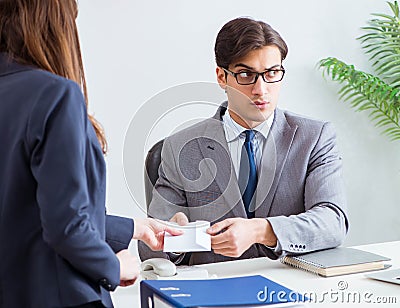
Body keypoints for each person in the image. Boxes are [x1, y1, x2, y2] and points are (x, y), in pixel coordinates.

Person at [0, 1, 181, 307]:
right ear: (56, 24)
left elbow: (24, 212)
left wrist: (135, 228)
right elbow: (66, 228)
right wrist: (113, 266)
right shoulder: (55, 94)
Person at [139, 17, 349, 265]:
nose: (261, 89)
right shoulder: (180, 147)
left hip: (293, 284)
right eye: (246, 74)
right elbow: (149, 249)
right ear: (221, 77)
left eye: (272, 73)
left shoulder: (315, 137)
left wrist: (262, 231)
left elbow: (332, 221)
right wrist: (173, 239)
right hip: (216, 290)